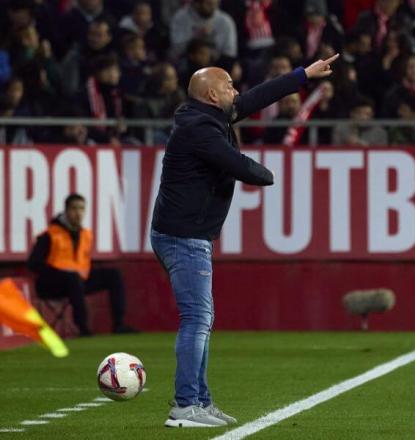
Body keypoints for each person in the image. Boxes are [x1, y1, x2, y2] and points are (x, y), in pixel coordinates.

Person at [150, 54, 339, 428]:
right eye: (228, 87)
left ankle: (199, 401)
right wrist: (271, 173)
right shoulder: (200, 129)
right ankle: (185, 406)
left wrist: (304, 74)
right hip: (182, 237)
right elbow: (237, 165)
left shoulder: (209, 117)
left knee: (201, 319)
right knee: (197, 319)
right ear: (210, 94)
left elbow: (257, 98)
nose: (235, 92)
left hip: (189, 234)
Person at [27, 194, 135, 336]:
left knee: (113, 275)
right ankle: (83, 328)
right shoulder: (50, 234)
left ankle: (119, 325)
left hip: (78, 281)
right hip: (51, 285)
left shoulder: (86, 234)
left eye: (82, 209)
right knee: (72, 278)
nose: (78, 213)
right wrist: (60, 273)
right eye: (74, 208)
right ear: (66, 211)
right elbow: (33, 264)